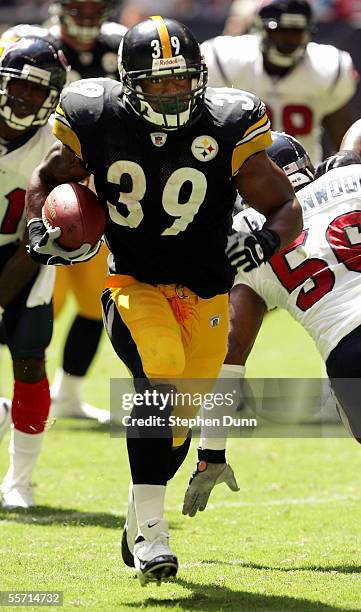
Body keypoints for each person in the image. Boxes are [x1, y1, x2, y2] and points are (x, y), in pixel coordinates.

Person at [26, 16, 302, 585]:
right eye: (157, 82)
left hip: (208, 288)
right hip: (134, 280)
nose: (172, 92)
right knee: (160, 374)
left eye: (181, 80)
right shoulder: (96, 118)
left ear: (200, 77)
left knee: (177, 423)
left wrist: (264, 237)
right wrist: (41, 227)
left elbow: (285, 205)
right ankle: (154, 535)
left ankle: (138, 513)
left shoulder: (228, 124)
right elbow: (48, 178)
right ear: (129, 82)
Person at [183, 133, 361, 518]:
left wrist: (211, 452)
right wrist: (349, 155)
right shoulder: (350, 179)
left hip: (349, 353)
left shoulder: (243, 239)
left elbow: (229, 359)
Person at [0, 0, 127, 422]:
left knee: (96, 303)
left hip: (94, 194)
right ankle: (19, 398)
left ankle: (68, 394)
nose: (89, 15)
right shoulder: (29, 44)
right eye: (80, 6)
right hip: (32, 182)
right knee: (29, 312)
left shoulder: (120, 46)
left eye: (97, 7)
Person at [0, 37, 70, 509]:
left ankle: (19, 481)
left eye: (37, 92)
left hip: (26, 253)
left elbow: (35, 240)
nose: (25, 99)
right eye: (18, 87)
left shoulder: (57, 147)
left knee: (28, 357)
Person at [200, 0, 357, 165]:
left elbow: (341, 135)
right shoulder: (228, 60)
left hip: (305, 175)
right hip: (241, 172)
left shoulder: (327, 69)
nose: (287, 39)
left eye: (295, 32)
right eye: (279, 31)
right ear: (260, 29)